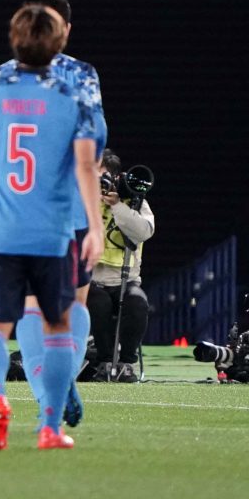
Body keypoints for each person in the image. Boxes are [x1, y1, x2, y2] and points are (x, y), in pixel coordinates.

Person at [0, 4, 104, 451]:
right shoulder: (73, 92)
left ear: (14, 39)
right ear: (60, 41)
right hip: (54, 229)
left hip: (2, 229)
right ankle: (48, 424)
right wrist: (96, 227)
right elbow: (88, 164)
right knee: (59, 324)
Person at [9, 0, 108, 428]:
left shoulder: (3, 78)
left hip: (23, 209)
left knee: (32, 306)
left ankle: (45, 395)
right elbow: (93, 151)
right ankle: (62, 380)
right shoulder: (82, 75)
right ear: (64, 29)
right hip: (70, 206)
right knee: (72, 308)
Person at [87, 149, 155, 382]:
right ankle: (104, 362)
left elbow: (144, 231)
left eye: (103, 177)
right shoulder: (83, 200)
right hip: (92, 281)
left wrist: (117, 205)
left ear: (116, 177)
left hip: (127, 280)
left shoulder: (134, 200)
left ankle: (126, 363)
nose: (99, 183)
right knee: (98, 302)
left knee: (138, 302)